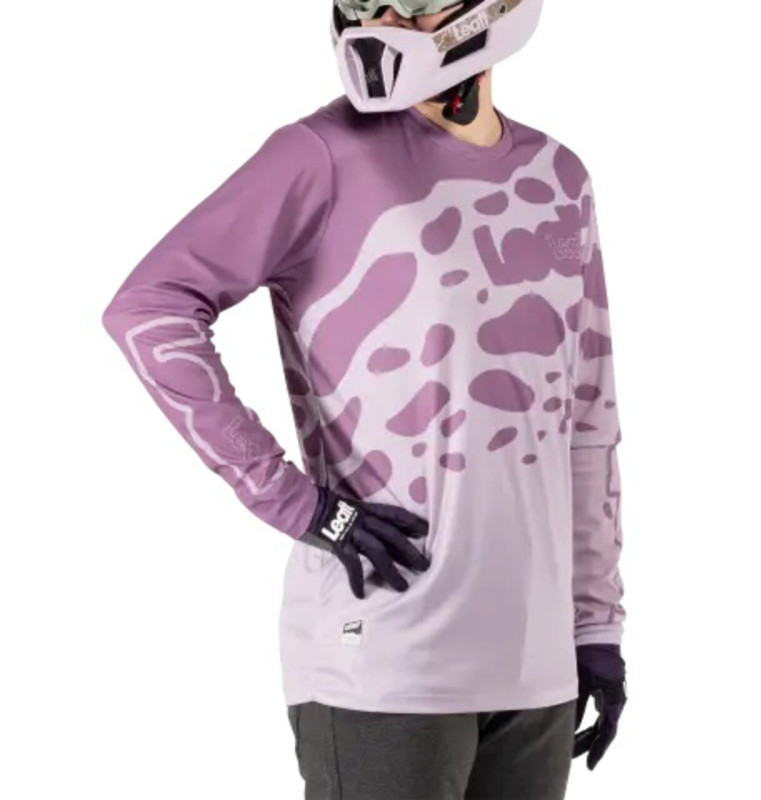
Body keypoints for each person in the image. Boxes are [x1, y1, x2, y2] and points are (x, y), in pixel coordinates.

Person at [101, 0, 628, 796]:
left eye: (410, 2)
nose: (381, 18)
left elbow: (586, 419)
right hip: (385, 652)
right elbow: (150, 308)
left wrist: (595, 623)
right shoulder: (321, 156)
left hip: (536, 666)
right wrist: (297, 503)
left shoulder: (559, 177)